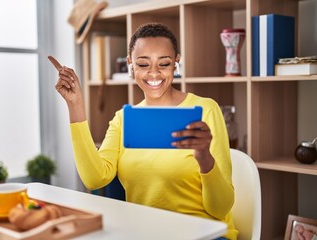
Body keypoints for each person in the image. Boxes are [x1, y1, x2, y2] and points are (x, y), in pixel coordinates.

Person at [55, 22, 237, 240]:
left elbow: (221, 208)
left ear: (176, 63)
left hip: (205, 233)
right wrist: (75, 106)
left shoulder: (206, 110)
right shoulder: (124, 119)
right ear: (131, 64)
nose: (154, 73)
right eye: (143, 64)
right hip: (146, 232)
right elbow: (94, 179)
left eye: (164, 63)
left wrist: (205, 158)